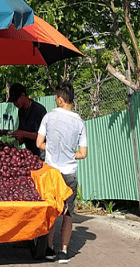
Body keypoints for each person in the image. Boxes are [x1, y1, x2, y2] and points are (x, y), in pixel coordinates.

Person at [36, 81, 87, 264]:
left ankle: (49, 249)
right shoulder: (79, 122)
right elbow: (83, 153)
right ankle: (64, 251)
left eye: (56, 96)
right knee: (68, 213)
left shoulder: (49, 117)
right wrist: (68, 153)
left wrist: (52, 150)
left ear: (60, 99)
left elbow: (39, 144)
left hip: (51, 173)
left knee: (50, 210)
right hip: (69, 174)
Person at [8, 83, 47, 160]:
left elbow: (44, 137)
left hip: (41, 156)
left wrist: (23, 134)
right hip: (29, 155)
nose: (15, 104)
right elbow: (21, 137)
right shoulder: (21, 112)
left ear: (23, 95)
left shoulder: (39, 110)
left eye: (16, 100)